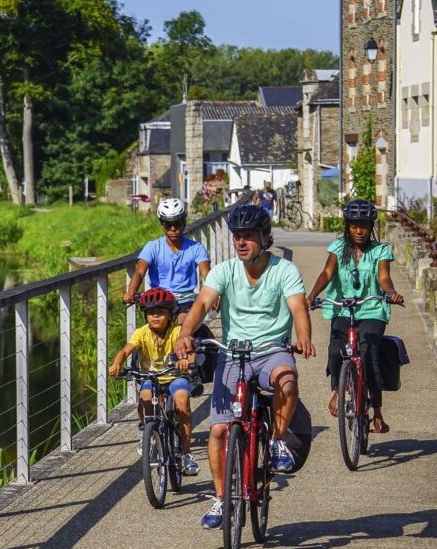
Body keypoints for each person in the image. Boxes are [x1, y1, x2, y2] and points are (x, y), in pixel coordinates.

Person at [175, 205, 316, 529]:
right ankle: (221, 499)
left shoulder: (284, 270)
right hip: (233, 354)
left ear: (265, 238)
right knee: (218, 430)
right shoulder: (224, 271)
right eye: (237, 236)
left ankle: (277, 440)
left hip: (272, 350)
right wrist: (185, 334)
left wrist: (304, 338)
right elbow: (202, 303)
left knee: (287, 380)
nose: (241, 242)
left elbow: (298, 307)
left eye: (248, 236)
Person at [305, 199, 403, 432]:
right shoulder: (338, 248)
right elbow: (327, 273)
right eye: (354, 226)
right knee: (335, 350)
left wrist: (391, 292)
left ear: (371, 227)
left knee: (368, 354)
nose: (359, 231)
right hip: (342, 307)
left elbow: (383, 277)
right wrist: (311, 296)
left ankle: (377, 411)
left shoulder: (380, 251)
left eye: (364, 226)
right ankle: (338, 391)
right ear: (347, 227)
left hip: (371, 309)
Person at [109, 287, 201, 476]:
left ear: (170, 314)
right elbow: (125, 350)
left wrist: (187, 361)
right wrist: (117, 363)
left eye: (160, 312)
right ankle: (149, 433)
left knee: (182, 400)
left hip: (175, 376)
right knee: (144, 397)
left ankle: (186, 453)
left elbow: (190, 351)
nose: (155, 316)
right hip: (150, 377)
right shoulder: (141, 333)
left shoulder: (177, 331)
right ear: (145, 315)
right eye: (151, 313)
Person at [124, 198, 212, 326]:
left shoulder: (196, 248)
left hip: (185, 301)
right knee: (150, 330)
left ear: (184, 222)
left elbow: (208, 276)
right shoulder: (152, 247)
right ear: (161, 225)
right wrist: (131, 292)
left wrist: (214, 294)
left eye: (177, 224)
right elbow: (139, 272)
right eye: (168, 225)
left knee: (183, 322)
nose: (173, 228)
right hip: (158, 301)